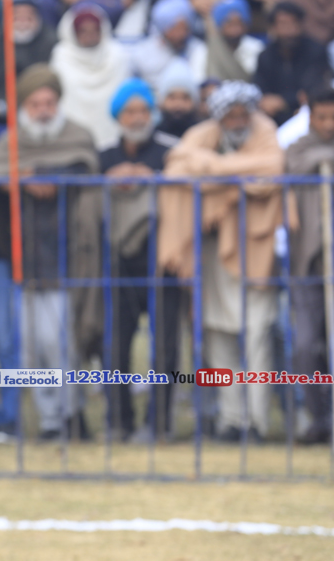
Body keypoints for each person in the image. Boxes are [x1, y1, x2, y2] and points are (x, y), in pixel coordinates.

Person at [0, 64, 99, 440]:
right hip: (23, 257)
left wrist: (47, 175)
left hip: (66, 254)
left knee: (58, 341)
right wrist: (18, 178)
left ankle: (71, 413)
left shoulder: (77, 135)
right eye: (35, 103)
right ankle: (49, 421)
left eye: (49, 102)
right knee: (31, 345)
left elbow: (87, 166)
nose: (43, 110)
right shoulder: (11, 143)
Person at [158, 81, 287, 442]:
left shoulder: (265, 132)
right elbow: (175, 171)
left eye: (243, 114)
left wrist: (212, 172)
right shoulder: (201, 134)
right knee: (216, 335)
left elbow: (272, 169)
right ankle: (231, 419)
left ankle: (257, 422)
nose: (237, 121)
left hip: (254, 251)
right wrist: (234, 177)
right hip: (211, 252)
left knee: (257, 334)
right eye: (230, 115)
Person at [98, 78, 172, 442]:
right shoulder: (105, 157)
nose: (138, 117)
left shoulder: (168, 153)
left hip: (162, 261)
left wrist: (153, 176)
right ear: (118, 116)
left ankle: (159, 423)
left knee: (166, 346)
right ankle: (119, 420)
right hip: (118, 262)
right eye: (130, 111)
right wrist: (108, 180)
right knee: (115, 344)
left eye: (144, 110)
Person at [286, 85, 334, 444]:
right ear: (311, 117)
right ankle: (318, 417)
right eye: (322, 117)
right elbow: (297, 164)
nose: (329, 124)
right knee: (305, 345)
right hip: (308, 265)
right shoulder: (297, 147)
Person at [50, 2, 131, 151]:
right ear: (73, 33)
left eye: (95, 30)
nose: (90, 35)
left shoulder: (118, 55)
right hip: (73, 139)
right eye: (83, 31)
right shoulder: (61, 56)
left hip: (114, 137)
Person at [0, 0, 57, 107]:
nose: (23, 20)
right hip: (1, 104)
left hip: (39, 104)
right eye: (16, 14)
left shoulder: (50, 40)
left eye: (29, 14)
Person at [254, 1, 330, 126]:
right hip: (272, 116)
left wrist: (283, 101)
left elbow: (313, 90)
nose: (289, 30)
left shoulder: (316, 51)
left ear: (301, 25)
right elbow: (260, 89)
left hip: (306, 115)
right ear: (273, 27)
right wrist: (268, 102)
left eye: (293, 23)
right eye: (283, 24)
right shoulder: (265, 55)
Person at [130, 0, 207, 91]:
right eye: (175, 28)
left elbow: (198, 82)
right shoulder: (142, 53)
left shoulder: (198, 49)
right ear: (163, 29)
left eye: (185, 28)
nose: (181, 34)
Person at [203, 0, 265, 82]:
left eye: (239, 22)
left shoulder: (256, 47)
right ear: (220, 26)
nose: (235, 29)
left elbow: (248, 80)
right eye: (229, 23)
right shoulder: (206, 49)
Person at [153, 59, 201, 147]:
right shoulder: (151, 137)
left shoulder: (203, 136)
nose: (179, 104)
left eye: (185, 98)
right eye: (172, 98)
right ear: (162, 102)